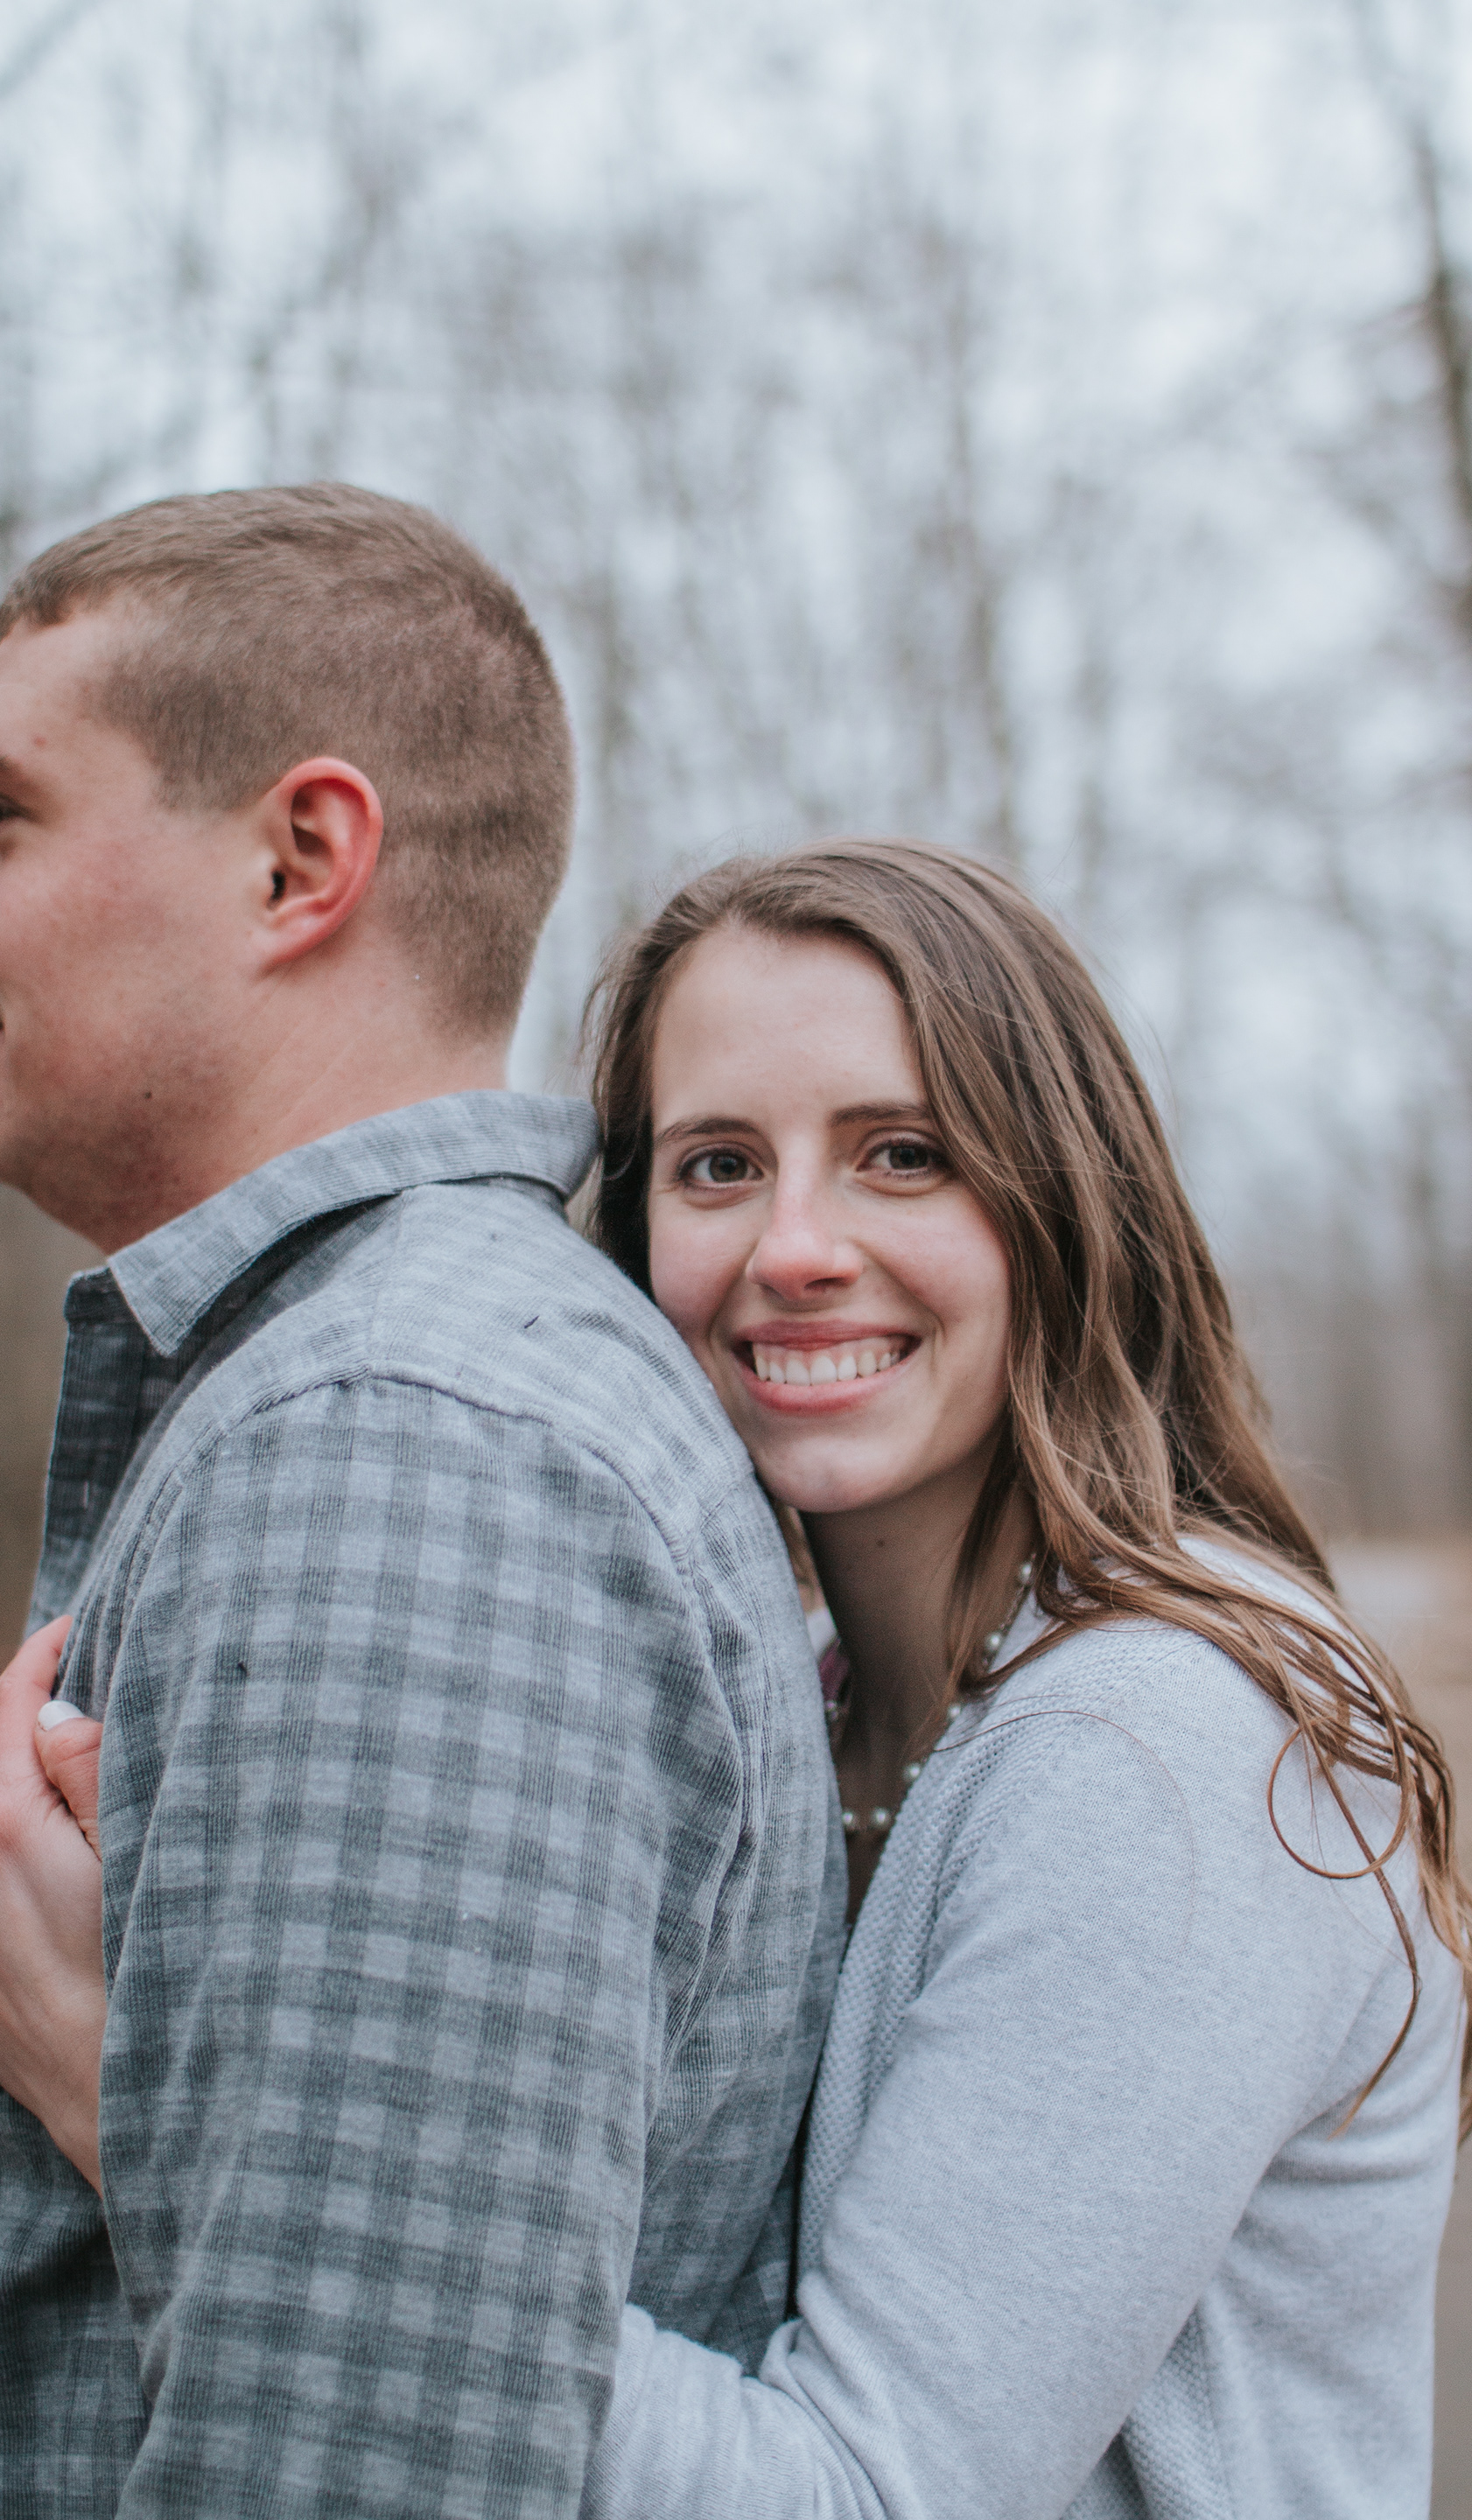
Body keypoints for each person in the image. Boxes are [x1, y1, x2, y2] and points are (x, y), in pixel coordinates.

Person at [3, 836, 1472, 2516]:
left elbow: (859, 2494)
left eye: (903, 1156)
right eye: (720, 1165)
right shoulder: (806, 1701)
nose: (795, 1247)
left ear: (1063, 1200)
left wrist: (176, 2130)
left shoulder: (1152, 1747)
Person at [0, 489, 842, 2520]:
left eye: (5, 819)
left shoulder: (396, 1444)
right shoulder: (364, 1389)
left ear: (302, 862)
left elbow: (360, 2471)